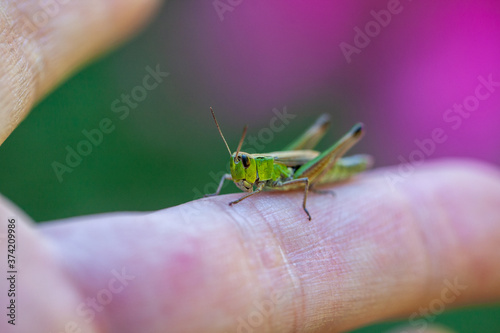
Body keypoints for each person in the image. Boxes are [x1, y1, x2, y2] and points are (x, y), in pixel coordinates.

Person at [0, 1, 499, 332]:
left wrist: (304, 194)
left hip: (316, 173)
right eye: (239, 168)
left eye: (242, 166)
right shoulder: (243, 174)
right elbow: (230, 183)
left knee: (332, 141)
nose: (238, 173)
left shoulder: (268, 171)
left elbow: (287, 179)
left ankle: (333, 171)